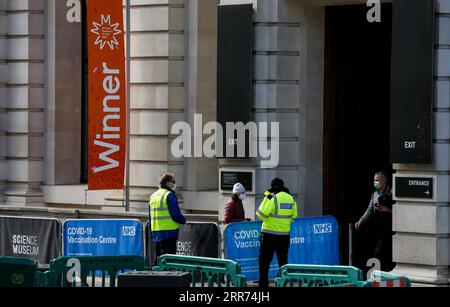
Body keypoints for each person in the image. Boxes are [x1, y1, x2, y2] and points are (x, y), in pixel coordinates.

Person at [256, 177, 298, 287]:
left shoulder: (272, 197)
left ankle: (263, 286)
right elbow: (294, 217)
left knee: (264, 263)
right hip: (284, 236)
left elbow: (260, 214)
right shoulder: (290, 198)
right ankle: (283, 284)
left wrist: (266, 197)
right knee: (283, 263)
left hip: (269, 235)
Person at [355, 171, 394, 271]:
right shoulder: (375, 194)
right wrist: (361, 221)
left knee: (382, 251)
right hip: (377, 225)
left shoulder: (393, 192)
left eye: (377, 180)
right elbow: (370, 209)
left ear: (384, 181)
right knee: (375, 250)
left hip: (389, 226)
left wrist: (388, 210)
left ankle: (384, 271)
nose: (375, 182)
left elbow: (403, 210)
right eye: (374, 180)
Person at [149, 173, 186, 266]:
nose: (174, 184)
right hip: (169, 232)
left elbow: (150, 216)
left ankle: (156, 278)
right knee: (168, 261)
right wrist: (183, 220)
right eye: (173, 182)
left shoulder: (153, 196)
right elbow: (175, 214)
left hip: (156, 232)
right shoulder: (169, 195)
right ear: (168, 183)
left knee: (158, 260)